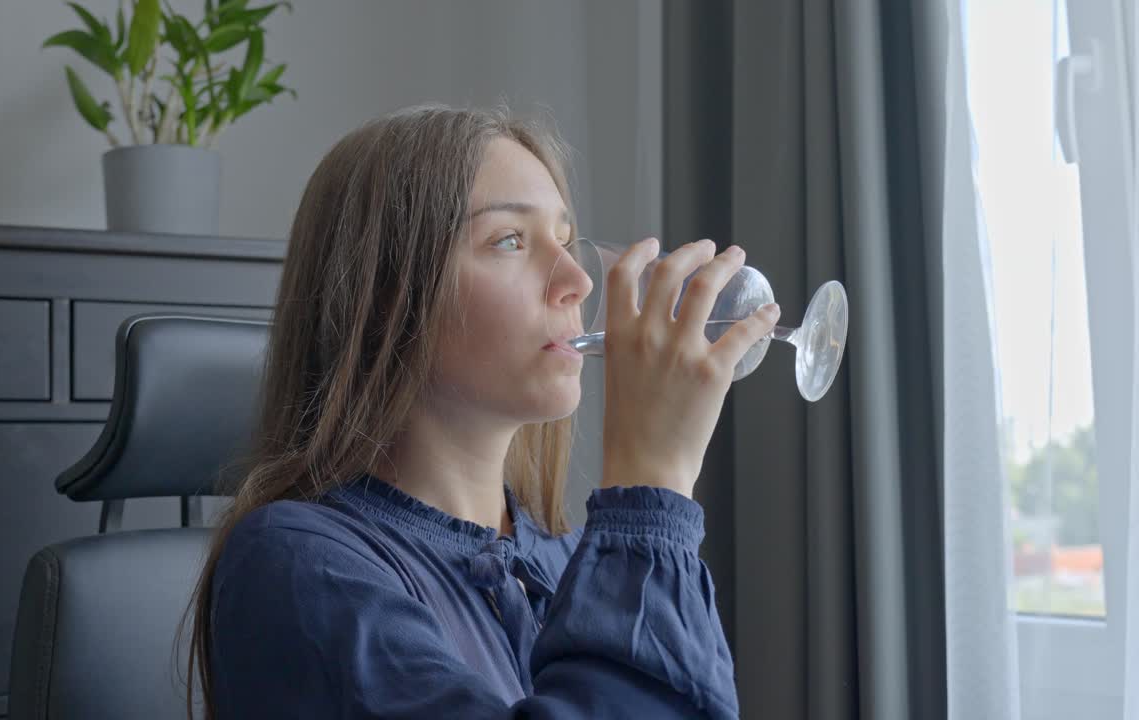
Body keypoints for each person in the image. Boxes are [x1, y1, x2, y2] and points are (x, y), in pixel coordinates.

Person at [184, 104, 781, 718]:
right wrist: (650, 482)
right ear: (387, 297)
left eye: (566, 240)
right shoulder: (296, 567)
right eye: (510, 240)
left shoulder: (571, 558)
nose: (577, 278)